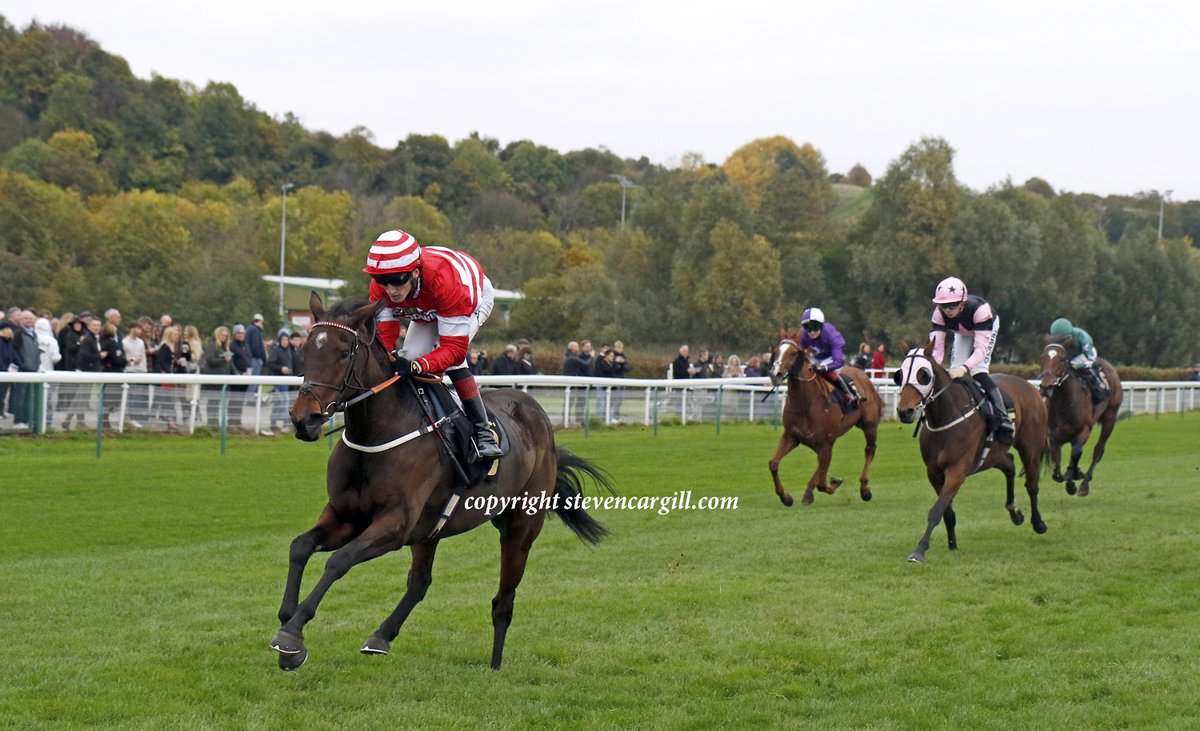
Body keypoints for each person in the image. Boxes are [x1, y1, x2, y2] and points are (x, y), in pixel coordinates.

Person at [363, 228, 504, 459]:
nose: (390, 290)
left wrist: (419, 366)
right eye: (382, 281)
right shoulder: (381, 287)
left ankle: (483, 431)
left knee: (449, 363)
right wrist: (391, 358)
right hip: (427, 308)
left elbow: (455, 351)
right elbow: (385, 338)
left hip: (465, 298)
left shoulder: (445, 282)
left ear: (415, 272)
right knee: (407, 356)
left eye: (397, 281)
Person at [929, 276, 1013, 443]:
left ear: (962, 302)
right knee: (954, 370)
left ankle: (1003, 416)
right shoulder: (938, 314)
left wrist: (965, 367)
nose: (947, 310)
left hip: (985, 326)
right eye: (943, 306)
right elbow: (938, 352)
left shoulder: (981, 310)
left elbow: (980, 351)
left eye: (952, 306)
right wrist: (933, 368)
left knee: (977, 370)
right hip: (962, 332)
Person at [799, 307, 857, 408]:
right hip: (816, 356)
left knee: (825, 371)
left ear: (821, 326)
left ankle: (848, 394)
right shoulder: (803, 334)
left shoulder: (832, 336)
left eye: (815, 327)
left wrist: (823, 368)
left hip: (832, 357)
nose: (812, 332)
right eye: (808, 327)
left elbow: (838, 361)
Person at [1047, 318, 1108, 405]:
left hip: (1083, 353)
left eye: (1062, 341)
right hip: (1068, 354)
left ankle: (1098, 387)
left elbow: (1091, 359)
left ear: (1069, 337)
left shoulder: (1083, 338)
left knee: (1077, 366)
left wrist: (1080, 366)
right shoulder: (1061, 341)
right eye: (1057, 341)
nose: (1060, 344)